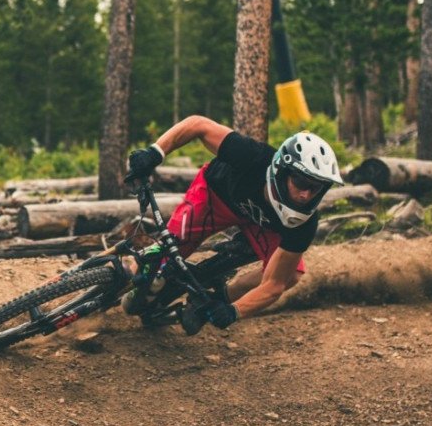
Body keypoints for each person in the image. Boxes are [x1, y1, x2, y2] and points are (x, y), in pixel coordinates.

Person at [121, 115, 344, 335]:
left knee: (291, 274)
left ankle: (218, 297)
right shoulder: (251, 155)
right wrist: (155, 152)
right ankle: (127, 268)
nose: (306, 194)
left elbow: (275, 285)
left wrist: (233, 310)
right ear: (282, 170)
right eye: (301, 182)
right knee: (170, 248)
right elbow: (198, 125)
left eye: (316, 188)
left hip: (262, 223)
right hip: (217, 195)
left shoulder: (304, 223)